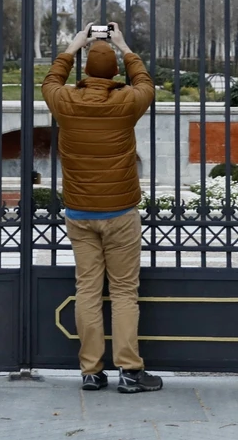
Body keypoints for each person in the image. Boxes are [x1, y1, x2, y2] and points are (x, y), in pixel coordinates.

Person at [43, 20, 161, 393]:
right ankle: (130, 370)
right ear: (113, 71)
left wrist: (73, 46)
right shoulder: (126, 102)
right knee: (125, 291)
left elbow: (50, 81)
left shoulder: (64, 101)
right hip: (121, 211)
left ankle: (91, 371)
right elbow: (145, 84)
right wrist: (125, 47)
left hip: (80, 213)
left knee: (88, 290)